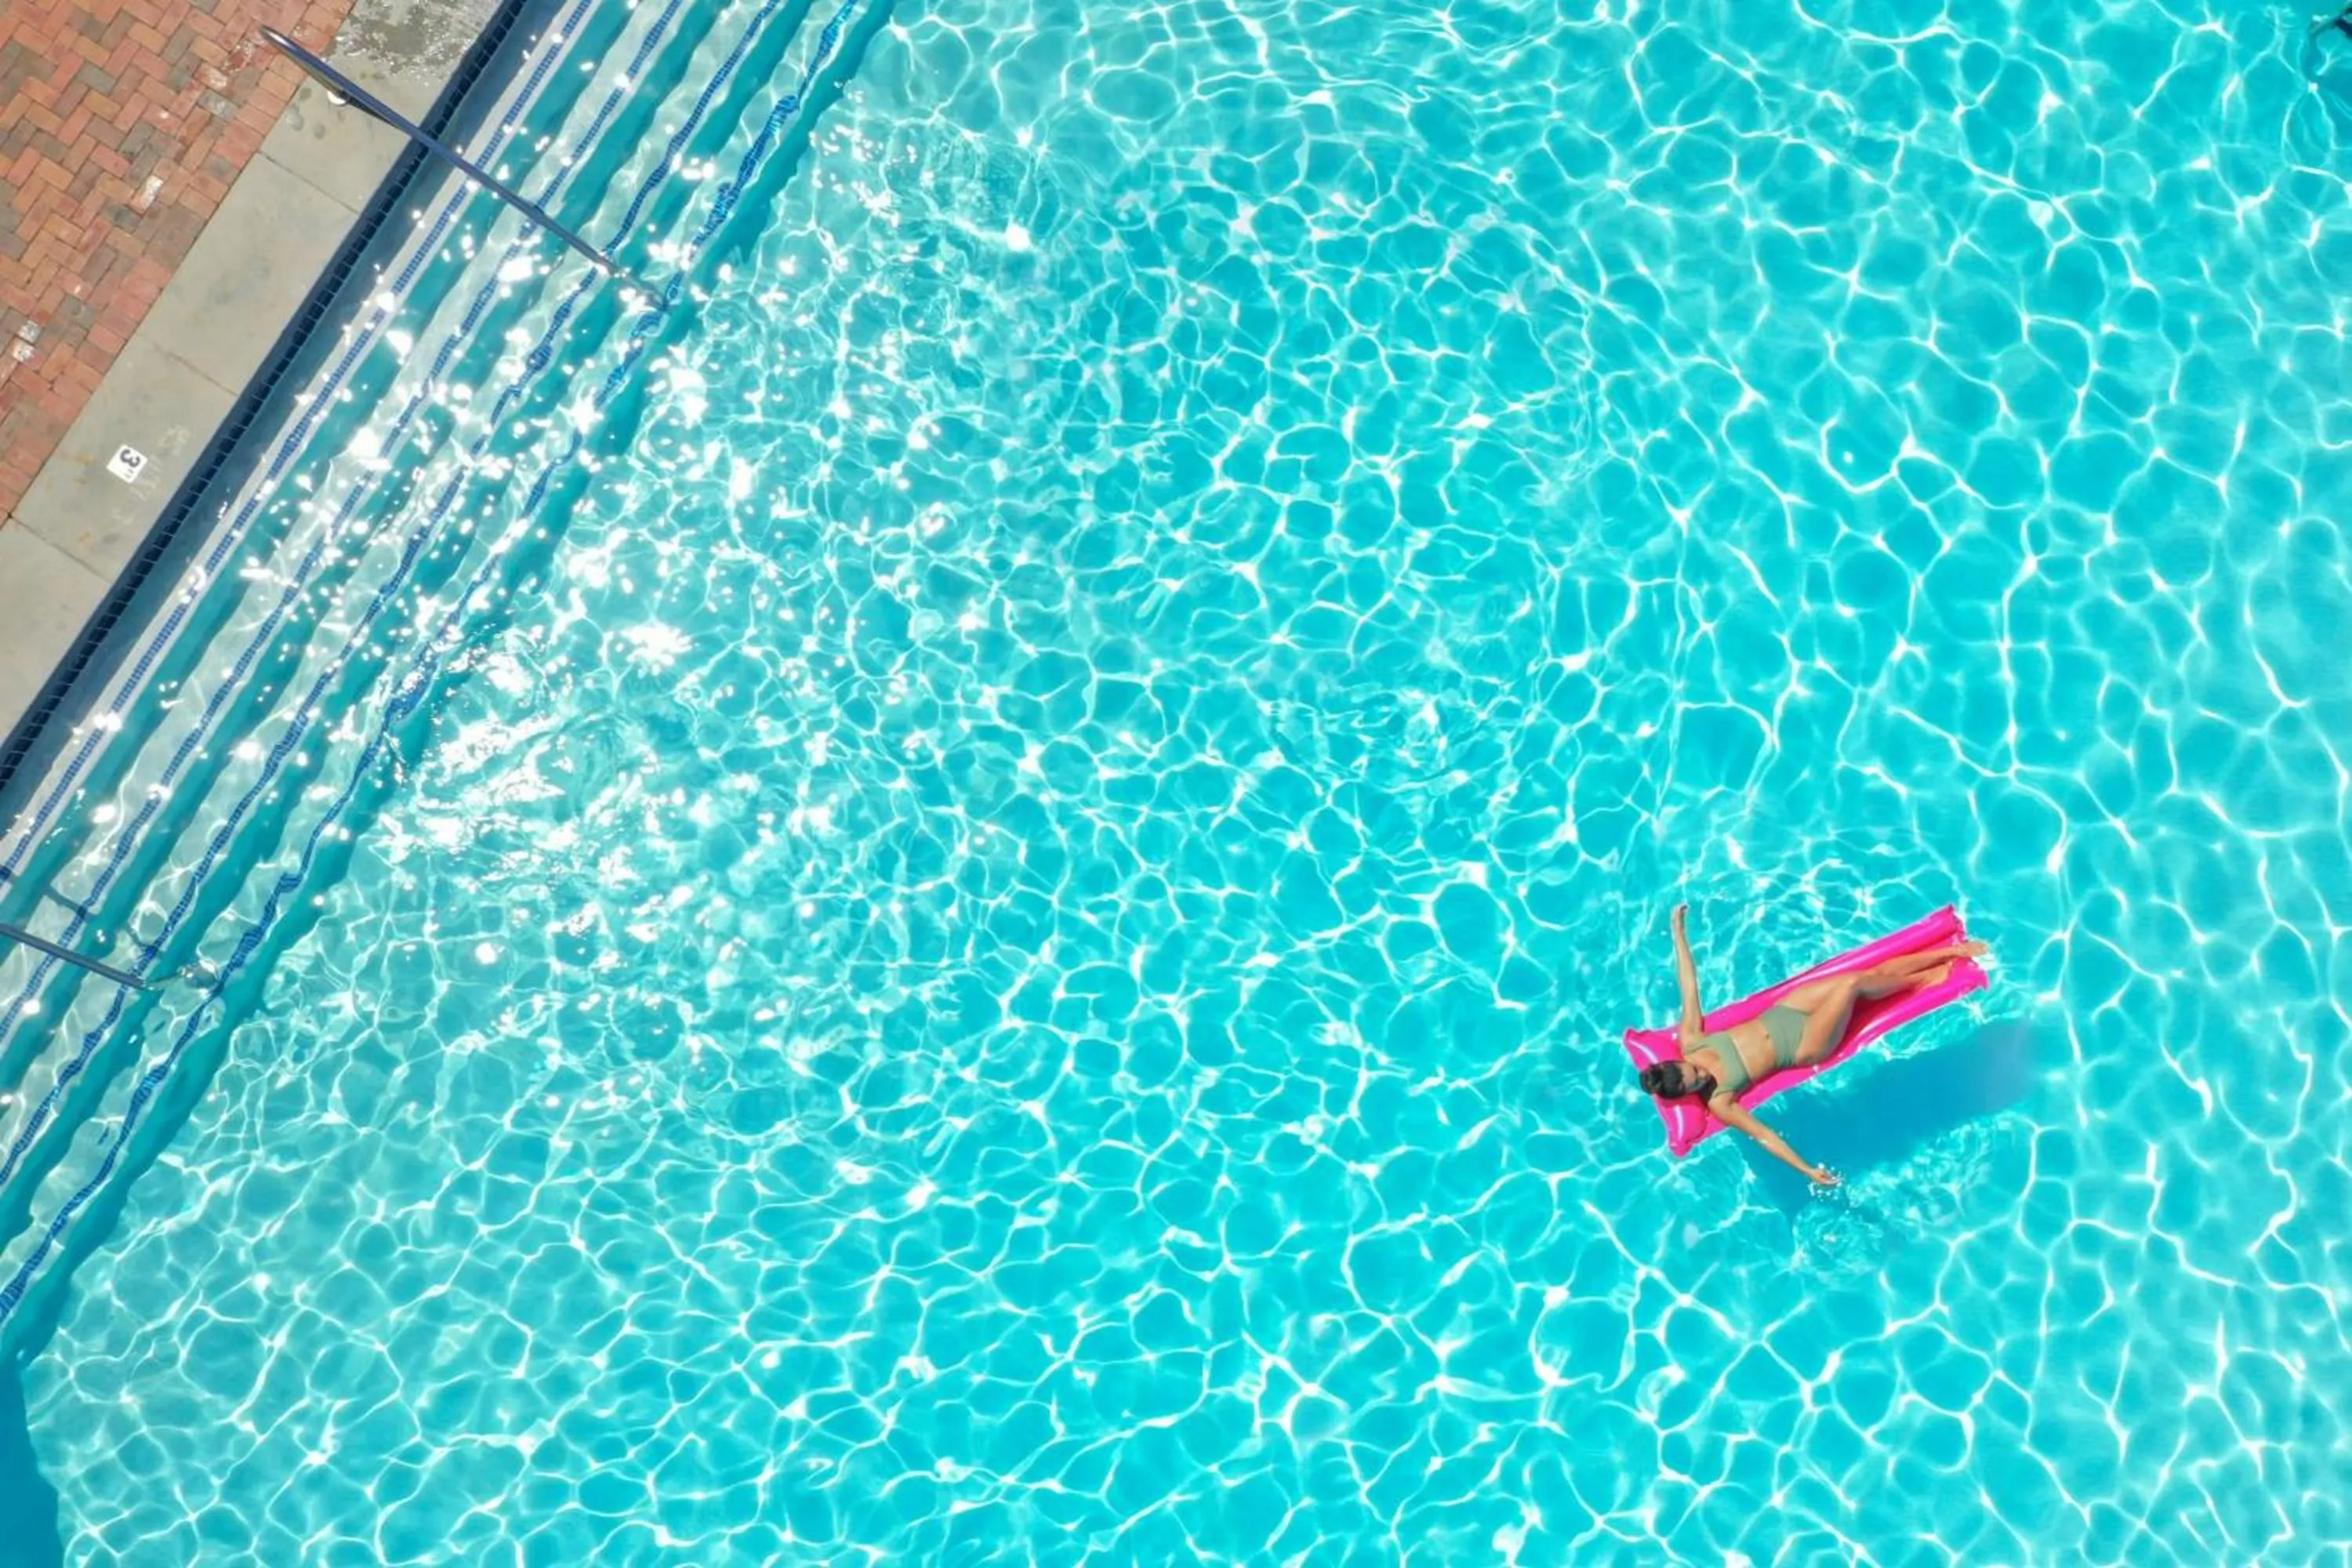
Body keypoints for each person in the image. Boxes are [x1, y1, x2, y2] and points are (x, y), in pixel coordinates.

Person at [1637, 904, 1987, 1186]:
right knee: (1851, 986)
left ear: (1680, 1062)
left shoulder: (1692, 1042)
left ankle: (1952, 951)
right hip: (1805, 1045)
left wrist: (1679, 932)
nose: (1702, 1075)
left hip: (1785, 1012)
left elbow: (1689, 985)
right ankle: (1929, 979)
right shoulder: (1720, 1101)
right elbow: (1764, 1135)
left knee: (1866, 975)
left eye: (1694, 1071)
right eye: (1695, 1083)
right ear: (1687, 1093)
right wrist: (1806, 1170)